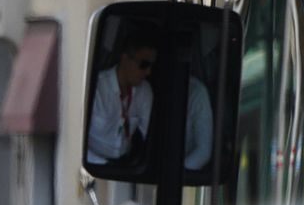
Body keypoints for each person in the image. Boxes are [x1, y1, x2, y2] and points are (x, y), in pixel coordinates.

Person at [86, 30, 212, 174]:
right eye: (144, 65)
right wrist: (102, 165)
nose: (148, 72)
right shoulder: (96, 88)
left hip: (127, 164)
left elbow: (151, 136)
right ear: (124, 58)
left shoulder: (144, 91)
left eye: (152, 65)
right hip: (94, 165)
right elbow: (79, 140)